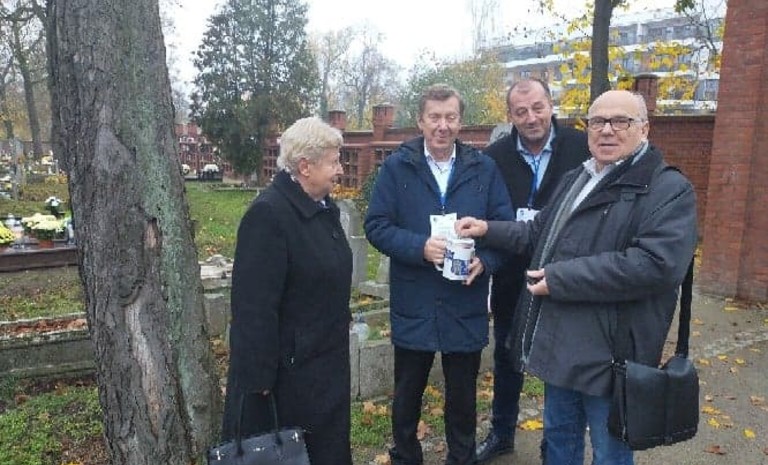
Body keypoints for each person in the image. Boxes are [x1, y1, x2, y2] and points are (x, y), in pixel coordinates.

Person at [456, 90, 697, 465]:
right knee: (559, 440)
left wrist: (560, 279)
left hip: (613, 355)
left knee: (609, 452)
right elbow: (538, 232)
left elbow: (655, 265)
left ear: (644, 129)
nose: (607, 130)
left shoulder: (667, 189)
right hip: (563, 346)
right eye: (598, 121)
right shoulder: (579, 177)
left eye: (620, 121)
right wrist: (488, 228)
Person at [364, 83, 515, 465]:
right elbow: (377, 225)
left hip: (464, 299)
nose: (442, 126)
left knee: (462, 398)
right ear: (420, 121)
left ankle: (461, 459)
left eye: (450, 117)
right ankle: (406, 457)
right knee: (407, 395)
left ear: (460, 122)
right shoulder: (398, 167)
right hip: (415, 298)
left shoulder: (483, 168)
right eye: (434, 117)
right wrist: (419, 247)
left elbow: (504, 227)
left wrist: (486, 261)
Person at [222, 117, 352, 465]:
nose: (340, 170)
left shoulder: (322, 208)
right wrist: (258, 380)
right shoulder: (269, 215)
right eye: (334, 162)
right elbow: (253, 306)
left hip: (324, 365)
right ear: (305, 166)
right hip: (288, 378)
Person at [476, 78, 590, 464]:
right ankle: (502, 433)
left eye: (538, 108)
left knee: (562, 363)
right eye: (521, 111)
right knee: (508, 357)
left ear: (551, 106)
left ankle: (555, 445)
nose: (531, 118)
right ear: (510, 116)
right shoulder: (495, 156)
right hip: (512, 273)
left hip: (565, 274)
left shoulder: (581, 147)